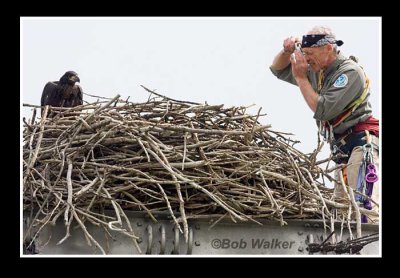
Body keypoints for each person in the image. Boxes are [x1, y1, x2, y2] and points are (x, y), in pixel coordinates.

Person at [269, 26, 379, 224]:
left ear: (328, 48)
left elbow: (323, 110)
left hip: (361, 146)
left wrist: (301, 78)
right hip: (342, 151)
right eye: (304, 53)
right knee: (342, 214)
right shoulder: (318, 71)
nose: (307, 59)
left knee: (362, 212)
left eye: (310, 54)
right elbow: (277, 69)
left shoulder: (349, 73)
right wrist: (287, 51)